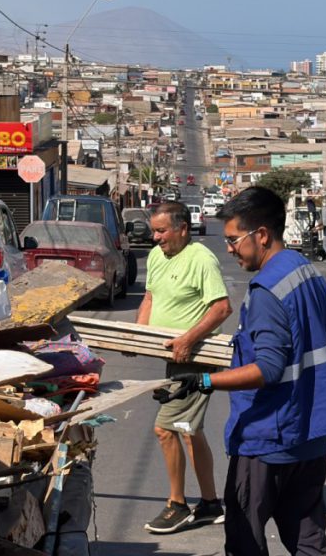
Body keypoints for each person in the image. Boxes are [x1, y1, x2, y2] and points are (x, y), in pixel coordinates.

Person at [154, 187, 326, 555]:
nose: (229, 248)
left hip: (271, 436)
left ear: (261, 235)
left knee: (244, 535)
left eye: (234, 240)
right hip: (312, 432)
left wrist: (202, 380)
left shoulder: (267, 290)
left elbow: (266, 369)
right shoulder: (304, 271)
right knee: (307, 536)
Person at [138, 201, 233, 534]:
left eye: (162, 231)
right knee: (189, 430)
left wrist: (188, 340)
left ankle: (176, 505)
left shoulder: (201, 259)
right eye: (154, 231)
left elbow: (222, 308)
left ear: (182, 228)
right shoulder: (156, 257)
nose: (156, 238)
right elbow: (150, 298)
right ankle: (210, 504)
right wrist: (136, 336)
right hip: (172, 359)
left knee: (166, 429)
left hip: (195, 360)